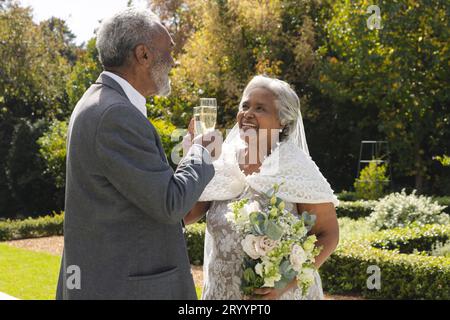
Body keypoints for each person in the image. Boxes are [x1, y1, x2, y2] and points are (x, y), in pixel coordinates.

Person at [56, 8, 216, 300]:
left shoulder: (101, 103)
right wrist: (200, 151)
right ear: (143, 55)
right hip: (127, 288)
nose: (173, 60)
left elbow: (140, 198)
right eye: (169, 50)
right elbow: (169, 203)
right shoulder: (116, 114)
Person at [184, 75, 340, 300]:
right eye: (245, 106)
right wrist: (194, 154)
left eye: (260, 108)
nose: (248, 113)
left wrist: (286, 282)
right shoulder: (221, 161)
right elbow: (186, 214)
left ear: (283, 121)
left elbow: (329, 234)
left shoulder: (296, 168)